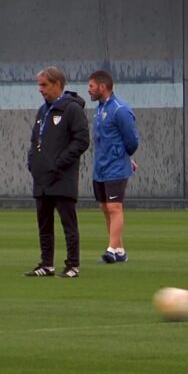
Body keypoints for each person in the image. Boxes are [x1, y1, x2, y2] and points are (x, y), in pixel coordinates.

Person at [25, 66, 90, 278]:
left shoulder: (72, 109)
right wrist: (33, 162)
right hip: (42, 178)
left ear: (57, 84)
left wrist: (59, 163)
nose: (40, 89)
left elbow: (81, 141)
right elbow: (36, 140)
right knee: (44, 224)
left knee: (68, 223)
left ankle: (73, 265)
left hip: (62, 177)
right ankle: (46, 264)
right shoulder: (42, 111)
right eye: (39, 85)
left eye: (44, 85)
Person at [88, 70, 140, 264]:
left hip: (115, 167)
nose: (89, 90)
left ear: (102, 87)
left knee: (114, 207)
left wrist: (125, 157)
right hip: (100, 168)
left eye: (91, 86)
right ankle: (120, 250)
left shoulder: (120, 109)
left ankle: (110, 250)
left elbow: (132, 140)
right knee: (105, 207)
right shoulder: (100, 109)